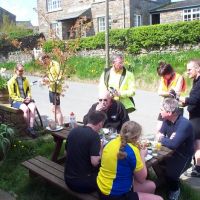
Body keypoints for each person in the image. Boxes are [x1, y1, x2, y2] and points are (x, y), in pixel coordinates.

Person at [97, 121, 163, 200]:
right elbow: (141, 179)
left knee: (151, 185)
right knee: (159, 199)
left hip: (102, 187)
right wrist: (142, 155)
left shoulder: (110, 143)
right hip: (116, 195)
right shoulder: (132, 151)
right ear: (136, 137)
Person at [156, 98, 194, 200]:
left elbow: (173, 144)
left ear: (169, 112)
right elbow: (159, 134)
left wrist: (163, 138)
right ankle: (164, 183)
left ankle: (175, 190)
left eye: (161, 109)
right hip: (169, 151)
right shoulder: (167, 120)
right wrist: (166, 139)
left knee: (171, 175)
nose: (159, 111)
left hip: (182, 156)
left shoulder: (184, 124)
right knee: (156, 163)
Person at [64, 111, 107, 193]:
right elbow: (95, 162)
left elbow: (65, 153)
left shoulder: (73, 131)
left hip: (68, 179)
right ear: (100, 124)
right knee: (109, 175)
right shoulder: (94, 136)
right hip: (81, 184)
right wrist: (101, 149)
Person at [179, 59, 200, 177]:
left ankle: (197, 168)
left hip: (198, 117)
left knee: (196, 143)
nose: (187, 72)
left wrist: (181, 99)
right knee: (197, 143)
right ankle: (197, 166)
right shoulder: (196, 81)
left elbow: (195, 100)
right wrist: (185, 103)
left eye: (189, 70)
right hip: (195, 115)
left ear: (198, 69)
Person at [7, 64, 37, 138]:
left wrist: (29, 97)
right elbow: (12, 95)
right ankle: (28, 127)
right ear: (15, 71)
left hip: (25, 99)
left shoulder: (25, 79)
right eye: (20, 71)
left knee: (33, 107)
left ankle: (31, 128)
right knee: (26, 109)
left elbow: (29, 91)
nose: (22, 72)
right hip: (16, 101)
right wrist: (22, 100)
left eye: (23, 70)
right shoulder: (11, 81)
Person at [156, 62, 186, 131]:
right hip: (164, 106)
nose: (163, 77)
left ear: (170, 72)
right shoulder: (163, 78)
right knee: (159, 128)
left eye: (164, 75)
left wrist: (167, 93)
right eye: (162, 76)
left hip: (176, 106)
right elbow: (159, 92)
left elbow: (176, 93)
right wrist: (169, 93)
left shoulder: (179, 77)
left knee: (175, 130)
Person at [41, 54, 63, 125]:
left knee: (57, 109)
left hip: (56, 89)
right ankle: (56, 125)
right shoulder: (47, 65)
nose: (44, 63)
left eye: (45, 61)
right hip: (51, 89)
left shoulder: (55, 64)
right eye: (43, 61)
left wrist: (49, 80)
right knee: (53, 110)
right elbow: (49, 74)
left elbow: (59, 76)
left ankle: (61, 126)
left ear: (48, 58)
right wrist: (44, 78)